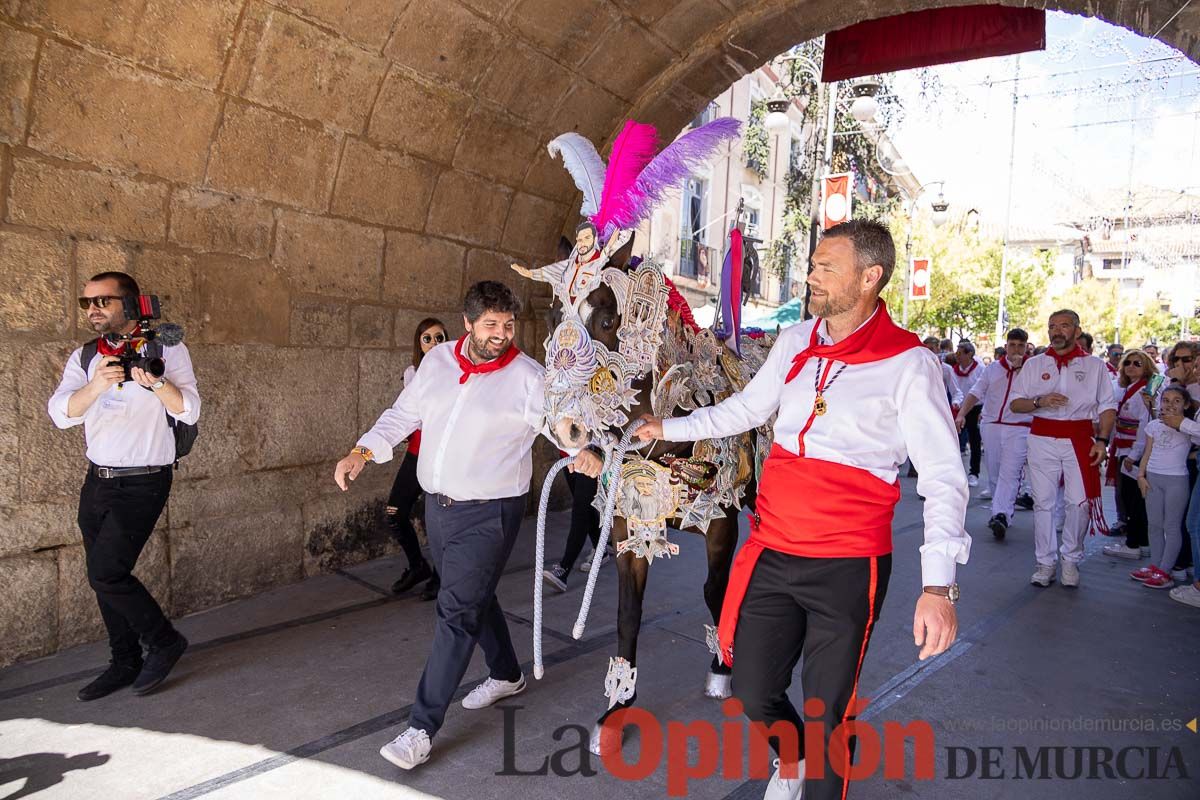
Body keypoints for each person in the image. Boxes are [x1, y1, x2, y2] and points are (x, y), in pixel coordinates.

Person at [635, 220, 970, 800]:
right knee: (752, 688)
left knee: (827, 714)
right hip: (774, 548)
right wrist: (668, 426)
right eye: (812, 264)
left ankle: (818, 767)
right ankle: (792, 759)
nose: (810, 276)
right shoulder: (794, 342)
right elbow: (744, 409)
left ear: (870, 278)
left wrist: (938, 587)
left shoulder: (909, 363)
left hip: (847, 563)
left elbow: (942, 475)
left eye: (826, 268)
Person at [333, 281, 602, 771]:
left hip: (490, 512)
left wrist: (582, 449)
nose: (502, 334)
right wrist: (362, 451)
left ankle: (421, 728)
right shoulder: (435, 363)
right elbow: (402, 415)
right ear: (468, 323)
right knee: (474, 595)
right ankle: (505, 672)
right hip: (438, 508)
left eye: (509, 325)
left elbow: (562, 422)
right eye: (491, 325)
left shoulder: (529, 378)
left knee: (455, 610)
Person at [48, 271, 201, 700]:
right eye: (87, 303)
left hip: (144, 482)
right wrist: (97, 385)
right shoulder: (85, 358)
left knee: (106, 571)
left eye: (103, 301)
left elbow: (189, 410)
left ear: (131, 305)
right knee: (102, 577)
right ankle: (124, 660)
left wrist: (155, 383)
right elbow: (62, 413)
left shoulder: (166, 348)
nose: (93, 309)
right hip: (97, 481)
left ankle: (165, 640)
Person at [1009, 310, 1116, 588]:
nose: (1056, 331)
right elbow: (1015, 404)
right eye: (1052, 326)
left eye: (1064, 326)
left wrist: (1103, 442)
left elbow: (1107, 406)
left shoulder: (1095, 366)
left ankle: (1070, 558)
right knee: (1043, 503)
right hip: (1042, 438)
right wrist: (1040, 401)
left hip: (1079, 439)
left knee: (1078, 503)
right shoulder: (1034, 364)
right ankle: (1045, 563)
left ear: (1077, 331)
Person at [386, 318, 448, 598]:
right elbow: (407, 414)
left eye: (439, 337)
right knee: (393, 513)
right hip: (416, 453)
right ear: (419, 344)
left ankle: (441, 576)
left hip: (442, 457)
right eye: (427, 338)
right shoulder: (412, 373)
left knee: (437, 521)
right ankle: (417, 566)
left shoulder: (457, 373)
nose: (434, 343)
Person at [955, 329, 1033, 539]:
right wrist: (961, 414)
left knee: (1011, 471)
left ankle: (1001, 515)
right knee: (994, 469)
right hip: (991, 426)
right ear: (1006, 346)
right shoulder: (992, 369)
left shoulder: (1033, 370)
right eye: (1013, 344)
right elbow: (976, 392)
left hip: (1020, 427)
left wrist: (1021, 370)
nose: (1016, 349)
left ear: (1026, 347)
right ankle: (1000, 511)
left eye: (1020, 345)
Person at [1132, 386, 1199, 589]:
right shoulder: (1153, 425)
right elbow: (1147, 452)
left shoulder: (1189, 428)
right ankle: (1155, 565)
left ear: (1186, 405)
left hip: (1176, 480)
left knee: (1172, 526)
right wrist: (1141, 475)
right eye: (1166, 400)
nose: (1170, 404)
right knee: (1154, 524)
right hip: (1152, 478)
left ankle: (1166, 570)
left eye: (1177, 401)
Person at [1102, 350, 1156, 561]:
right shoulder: (1128, 389)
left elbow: (1144, 425)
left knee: (1132, 499)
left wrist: (1134, 455)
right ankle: (1140, 542)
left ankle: (1134, 543)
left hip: (1132, 450)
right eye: (1128, 363)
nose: (1131, 366)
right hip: (1123, 447)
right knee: (1130, 497)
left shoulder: (1144, 392)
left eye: (1138, 363)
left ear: (1146, 368)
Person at [950, 341, 983, 486]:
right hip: (958, 409)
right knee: (952, 441)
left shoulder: (980, 369)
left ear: (969, 354)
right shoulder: (953, 370)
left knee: (974, 441)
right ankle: (953, 473)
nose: (956, 356)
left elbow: (985, 391)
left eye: (960, 353)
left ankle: (974, 473)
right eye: (956, 353)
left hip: (975, 409)